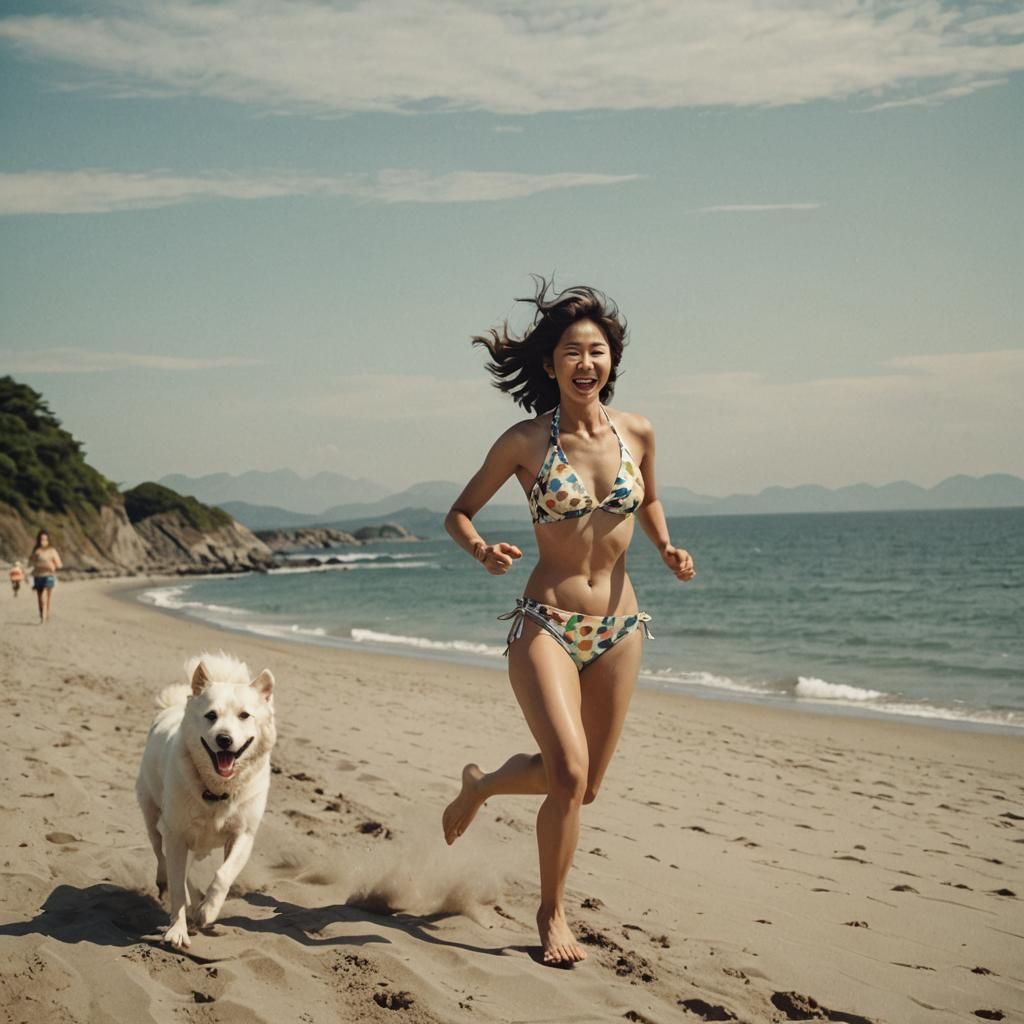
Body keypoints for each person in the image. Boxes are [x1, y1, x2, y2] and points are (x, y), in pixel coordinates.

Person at [442, 279, 696, 966]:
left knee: (582, 784)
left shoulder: (637, 430)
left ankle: (487, 783)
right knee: (567, 771)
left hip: (621, 629)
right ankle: (552, 915)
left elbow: (649, 500)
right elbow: (458, 512)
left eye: (598, 351)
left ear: (612, 360)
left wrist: (666, 544)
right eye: (571, 352)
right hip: (546, 622)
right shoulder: (525, 440)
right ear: (550, 364)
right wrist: (481, 550)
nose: (586, 363)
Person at [29, 530, 62, 623]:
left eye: (45, 539)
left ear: (48, 540)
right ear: (38, 540)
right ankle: (42, 614)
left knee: (46, 596)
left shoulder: (52, 550)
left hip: (49, 575)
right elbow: (30, 562)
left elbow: (59, 564)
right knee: (40, 597)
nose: (43, 541)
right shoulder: (36, 551)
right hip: (38, 575)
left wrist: (52, 566)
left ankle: (46, 614)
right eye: (41, 539)